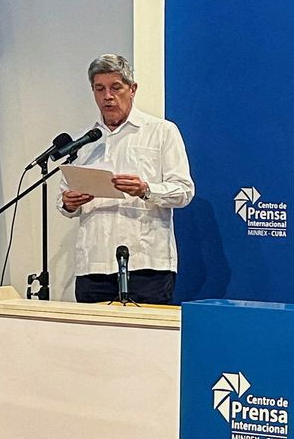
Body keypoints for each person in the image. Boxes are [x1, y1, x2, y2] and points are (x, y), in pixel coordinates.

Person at [57, 54, 194, 304]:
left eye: (116, 87)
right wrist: (69, 202)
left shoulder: (161, 131)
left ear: (132, 89)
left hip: (147, 263)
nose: (108, 96)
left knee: (145, 330)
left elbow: (184, 190)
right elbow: (64, 199)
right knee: (92, 331)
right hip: (94, 265)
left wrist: (145, 189)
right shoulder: (84, 141)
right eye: (100, 89)